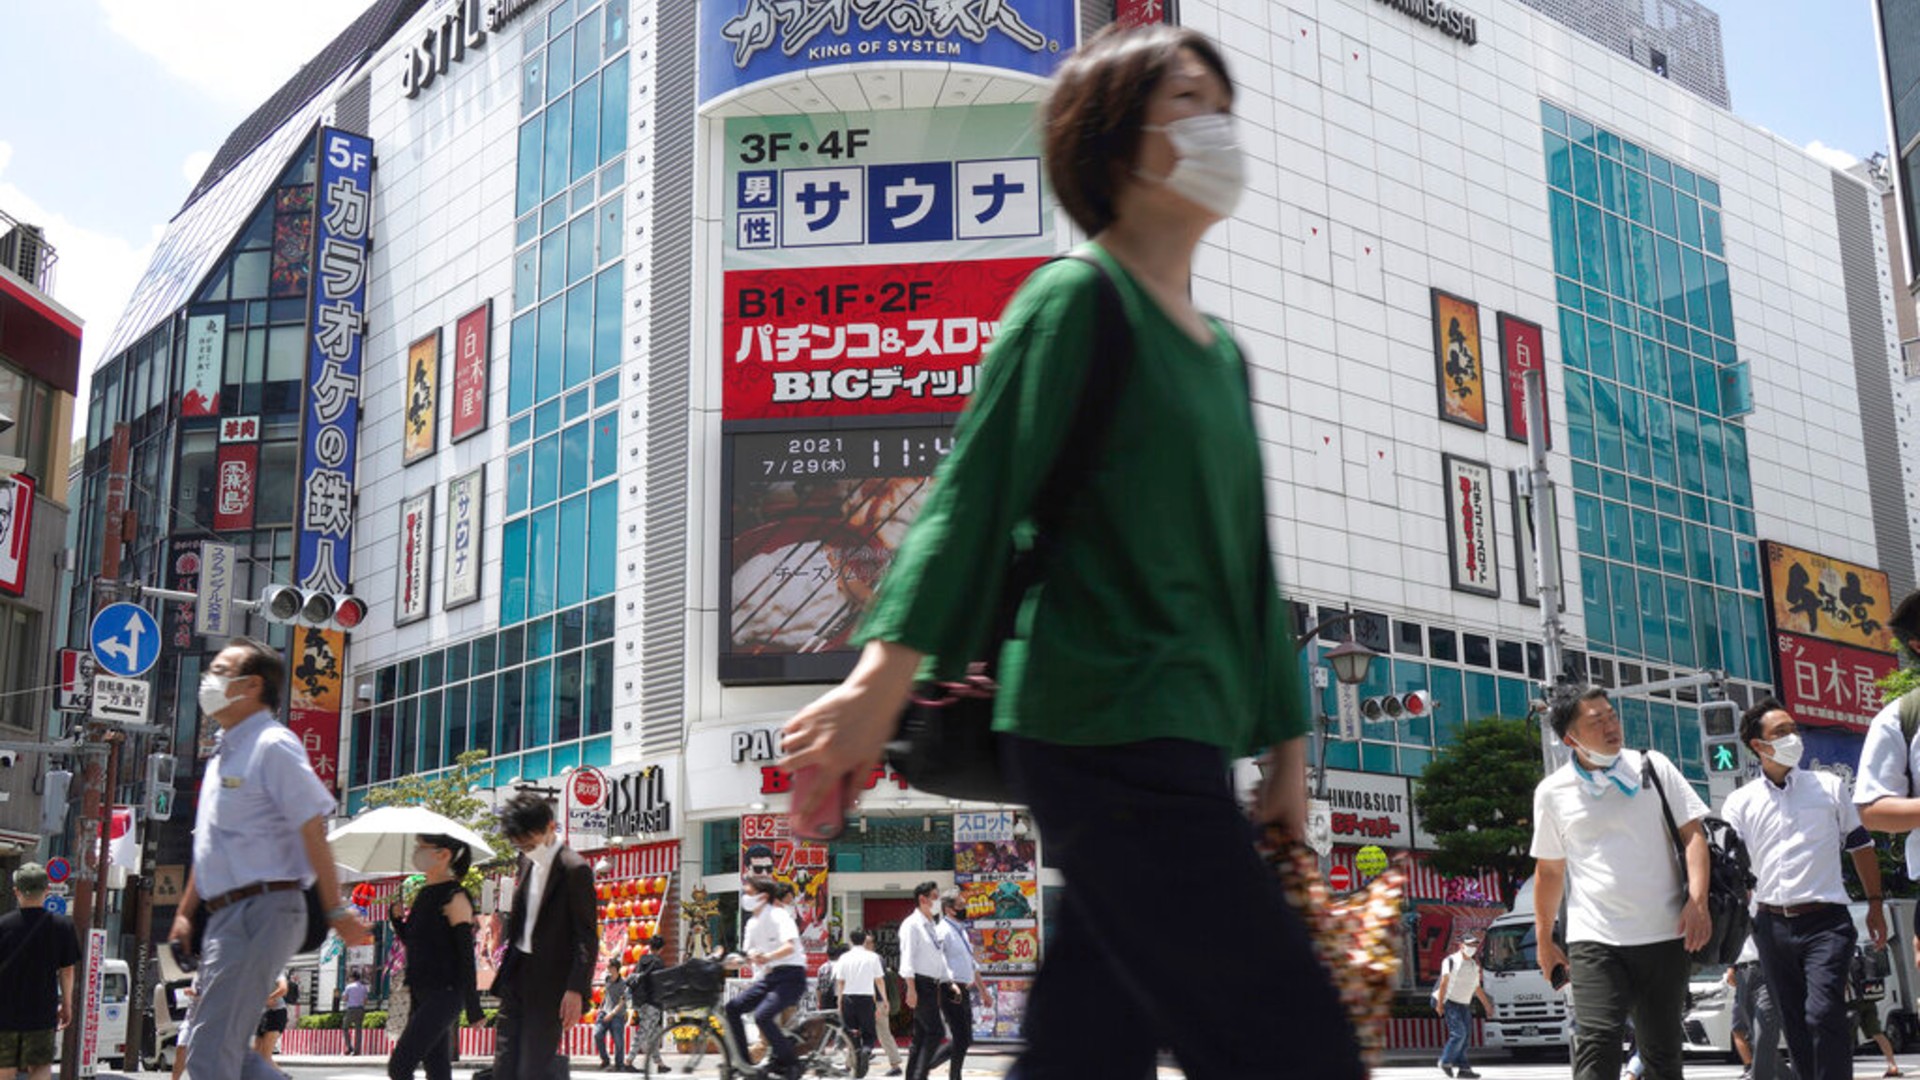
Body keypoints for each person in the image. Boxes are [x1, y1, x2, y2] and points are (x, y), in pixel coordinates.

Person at [778, 23, 1359, 1080]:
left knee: (1091, 1044)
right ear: (1114, 143)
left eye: (1219, 99)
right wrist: (878, 680)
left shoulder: (1222, 355)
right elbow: (971, 495)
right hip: (1093, 719)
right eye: (1186, 99)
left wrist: (1285, 753)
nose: (1216, 123)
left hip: (1180, 735)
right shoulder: (1075, 298)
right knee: (1292, 1041)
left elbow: (1250, 567)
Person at [167, 637, 371, 1080]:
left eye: (221, 672)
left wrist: (336, 907)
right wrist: (185, 913)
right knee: (216, 1047)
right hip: (229, 913)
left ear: (252, 685)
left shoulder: (272, 744)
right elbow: (210, 845)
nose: (209, 681)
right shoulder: (226, 751)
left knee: (209, 1049)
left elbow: (313, 824)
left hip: (264, 907)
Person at [1530, 685, 1711, 1080]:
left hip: (1665, 934)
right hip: (1595, 940)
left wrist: (1698, 901)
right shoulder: (1552, 792)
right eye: (1597, 722)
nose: (1612, 726)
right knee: (1597, 1045)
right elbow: (1550, 871)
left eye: (1612, 716)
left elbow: (1693, 835)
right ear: (1569, 738)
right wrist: (1545, 940)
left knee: (1662, 1055)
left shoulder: (1653, 766)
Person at [1722, 697, 1886, 1080]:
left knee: (1822, 1011)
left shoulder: (1829, 786)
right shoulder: (1739, 803)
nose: (1793, 737)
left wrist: (1875, 903)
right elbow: (1732, 872)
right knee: (1794, 1021)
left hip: (1827, 922)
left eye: (1793, 729)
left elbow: (1860, 845)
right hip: (1770, 925)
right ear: (1758, 746)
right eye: (1781, 732)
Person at [492, 791, 598, 1080]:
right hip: (516, 977)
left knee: (532, 1070)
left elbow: (586, 936)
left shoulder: (574, 869)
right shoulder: (525, 861)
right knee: (503, 1067)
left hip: (550, 985)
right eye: (519, 844)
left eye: (530, 843)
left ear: (550, 827)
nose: (526, 849)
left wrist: (576, 989)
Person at [388, 834, 484, 1080]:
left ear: (443, 855)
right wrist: (397, 920)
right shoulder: (423, 894)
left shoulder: (455, 896)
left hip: (446, 993)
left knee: (400, 1066)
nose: (417, 852)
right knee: (438, 1069)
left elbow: (466, 955)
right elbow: (415, 942)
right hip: (421, 990)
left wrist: (473, 1006)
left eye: (423, 847)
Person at [0, 863, 81, 1080]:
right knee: (40, 1065)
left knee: (5, 1067)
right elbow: (67, 970)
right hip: (42, 1010)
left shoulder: (3, 925)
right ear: (46, 891)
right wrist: (67, 1004)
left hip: (5, 1011)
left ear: (17, 891)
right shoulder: (62, 926)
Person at [723, 876, 807, 1080]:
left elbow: (790, 946)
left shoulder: (779, 915)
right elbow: (746, 956)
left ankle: (791, 1063)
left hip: (791, 975)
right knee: (733, 1007)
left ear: (764, 896)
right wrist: (728, 962)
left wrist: (767, 957)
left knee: (762, 1016)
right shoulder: (751, 923)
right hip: (770, 978)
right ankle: (744, 1063)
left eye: (750, 893)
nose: (746, 897)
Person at [926, 889, 990, 1080]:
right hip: (950, 989)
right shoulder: (942, 931)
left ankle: (938, 1070)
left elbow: (971, 964)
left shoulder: (961, 931)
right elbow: (935, 960)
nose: (965, 909)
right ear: (949, 909)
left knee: (965, 1039)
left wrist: (984, 991)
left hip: (964, 989)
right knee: (961, 1038)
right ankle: (931, 1068)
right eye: (961, 906)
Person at [897, 882, 953, 1080]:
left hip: (931, 984)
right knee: (936, 1032)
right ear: (923, 899)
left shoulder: (931, 925)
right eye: (935, 897)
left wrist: (948, 981)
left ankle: (912, 1076)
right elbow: (907, 959)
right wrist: (911, 989)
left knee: (920, 1037)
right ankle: (921, 1073)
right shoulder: (911, 924)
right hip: (919, 984)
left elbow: (937, 957)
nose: (938, 902)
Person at [1730, 935, 1794, 1080]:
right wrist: (1731, 966)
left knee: (1763, 1033)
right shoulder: (1737, 912)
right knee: (1755, 1038)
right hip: (1742, 973)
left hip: (1766, 969)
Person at [1432, 933, 1492, 1078]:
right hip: (1448, 1001)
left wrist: (1487, 1006)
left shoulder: (1473, 965)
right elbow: (1444, 983)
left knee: (1465, 1038)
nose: (1472, 948)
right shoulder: (1451, 960)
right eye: (1470, 945)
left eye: (1475, 945)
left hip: (1463, 1003)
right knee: (1459, 1034)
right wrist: (1440, 1005)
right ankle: (1445, 1061)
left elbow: (1477, 988)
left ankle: (1464, 1069)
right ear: (1461, 945)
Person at [836, 930, 887, 1079]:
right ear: (865, 940)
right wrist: (884, 999)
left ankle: (857, 1063)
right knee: (869, 1032)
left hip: (848, 998)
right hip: (866, 999)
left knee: (852, 1034)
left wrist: (839, 1001)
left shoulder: (844, 957)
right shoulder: (872, 957)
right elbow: (879, 980)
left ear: (851, 940)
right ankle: (866, 1050)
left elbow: (840, 981)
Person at [623, 936, 668, 1075]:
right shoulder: (659, 963)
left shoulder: (642, 959)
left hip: (640, 1001)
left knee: (653, 1033)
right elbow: (660, 984)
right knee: (643, 1032)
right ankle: (628, 1060)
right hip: (653, 1002)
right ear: (661, 949)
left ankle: (659, 1063)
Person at [596, 962, 630, 1070]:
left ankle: (619, 1064)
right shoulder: (607, 979)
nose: (607, 968)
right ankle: (605, 1060)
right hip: (604, 1012)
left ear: (615, 968)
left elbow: (622, 1001)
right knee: (597, 1035)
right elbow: (607, 994)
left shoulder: (623, 983)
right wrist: (600, 1007)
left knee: (618, 1041)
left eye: (609, 967)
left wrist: (612, 1014)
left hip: (617, 1015)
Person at [253, 973, 289, 1064]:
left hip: (276, 1013)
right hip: (264, 1015)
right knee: (255, 1056)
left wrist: (268, 998)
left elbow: (283, 989)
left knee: (265, 1057)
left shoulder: (276, 971)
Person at [342, 970, 369, 1056]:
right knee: (358, 1030)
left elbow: (345, 998)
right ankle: (357, 1050)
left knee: (345, 1027)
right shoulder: (364, 987)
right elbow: (365, 1001)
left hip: (351, 1009)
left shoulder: (349, 987)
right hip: (360, 1009)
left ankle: (349, 1047)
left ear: (352, 978)